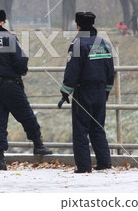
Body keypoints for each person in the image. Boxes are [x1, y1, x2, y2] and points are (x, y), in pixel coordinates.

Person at [0, 9, 52, 170]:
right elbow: (21, 62)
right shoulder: (9, 38)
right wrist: (17, 74)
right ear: (1, 23)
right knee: (26, 115)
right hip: (10, 85)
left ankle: (0, 159)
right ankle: (38, 145)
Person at [58, 12, 115, 173]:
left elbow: (72, 70)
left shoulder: (78, 44)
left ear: (78, 26)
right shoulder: (104, 43)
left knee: (81, 129)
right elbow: (110, 70)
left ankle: (83, 166)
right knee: (98, 127)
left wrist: (65, 91)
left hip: (84, 91)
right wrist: (107, 91)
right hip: (100, 91)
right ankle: (104, 162)